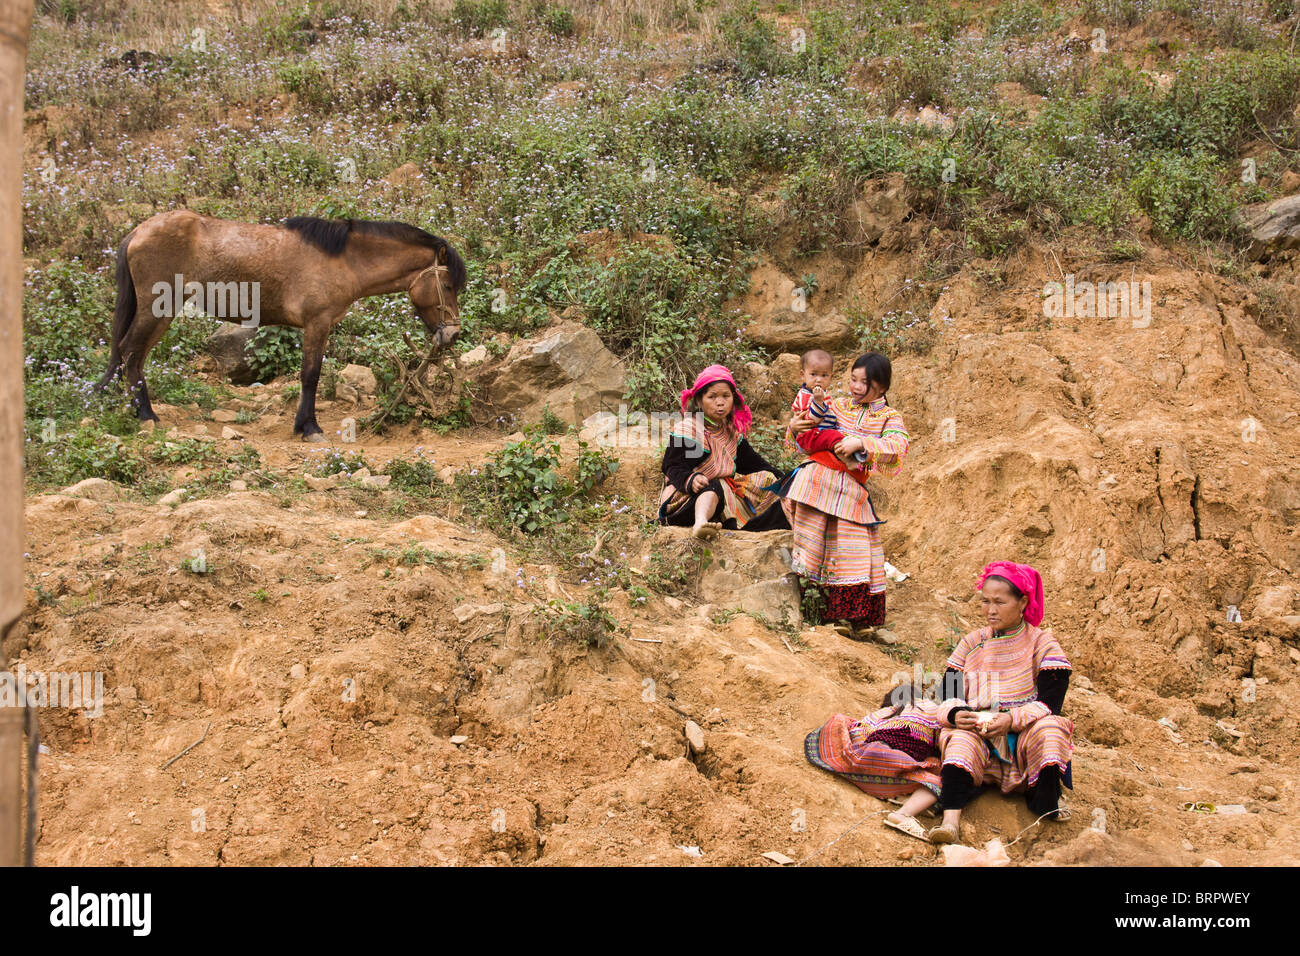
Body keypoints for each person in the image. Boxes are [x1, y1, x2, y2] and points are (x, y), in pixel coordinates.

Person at [928, 561, 1075, 845]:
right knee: (958, 738)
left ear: (1022, 602)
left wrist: (1012, 720)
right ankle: (950, 821)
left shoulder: (1042, 644)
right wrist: (958, 713)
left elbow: (1050, 704)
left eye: (999, 602)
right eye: (985, 601)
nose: (990, 610)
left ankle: (1045, 805)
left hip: (1023, 739)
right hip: (979, 733)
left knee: (1052, 728)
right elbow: (948, 694)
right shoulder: (971, 643)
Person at [774, 352, 909, 640]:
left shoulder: (889, 417)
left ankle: (852, 617)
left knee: (853, 549)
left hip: (851, 489)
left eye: (866, 383)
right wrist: (794, 427)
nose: (857, 387)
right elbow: (803, 433)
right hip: (817, 479)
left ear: (882, 387)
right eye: (853, 379)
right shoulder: (837, 405)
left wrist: (861, 442)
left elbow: (898, 446)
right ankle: (818, 609)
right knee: (815, 542)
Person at [658, 364, 789, 537]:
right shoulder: (689, 429)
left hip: (721, 497)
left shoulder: (731, 433)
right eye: (712, 397)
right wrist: (691, 479)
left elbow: (756, 464)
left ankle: (765, 522)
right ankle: (701, 523)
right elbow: (672, 465)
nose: (720, 402)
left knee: (768, 479)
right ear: (699, 401)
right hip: (685, 498)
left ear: (733, 399)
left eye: (726, 396)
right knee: (713, 484)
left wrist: (786, 481)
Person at [805, 682, 942, 842]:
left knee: (903, 767)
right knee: (939, 780)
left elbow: (859, 731)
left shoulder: (884, 712)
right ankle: (903, 814)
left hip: (868, 757)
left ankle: (898, 794)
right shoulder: (931, 708)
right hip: (896, 760)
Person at [789, 349, 868, 468]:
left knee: (836, 436)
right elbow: (810, 420)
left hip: (819, 433)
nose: (819, 379)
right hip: (810, 435)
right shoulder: (805, 395)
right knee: (834, 437)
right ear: (803, 375)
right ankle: (848, 460)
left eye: (824, 375)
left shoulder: (823, 393)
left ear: (831, 377)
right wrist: (818, 402)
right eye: (813, 374)